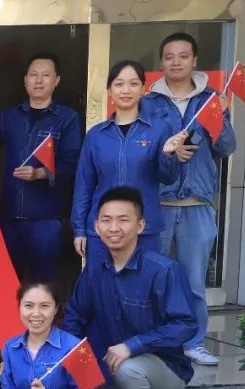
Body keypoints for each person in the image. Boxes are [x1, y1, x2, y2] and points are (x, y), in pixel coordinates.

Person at [64, 186, 197, 389]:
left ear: (140, 226)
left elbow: (185, 325)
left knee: (129, 368)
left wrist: (133, 346)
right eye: (106, 220)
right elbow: (75, 318)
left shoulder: (163, 270)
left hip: (164, 369)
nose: (114, 228)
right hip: (111, 366)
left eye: (123, 220)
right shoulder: (94, 271)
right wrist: (66, 360)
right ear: (96, 226)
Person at [145, 32, 237, 367]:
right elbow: (143, 147)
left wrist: (221, 117)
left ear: (194, 60)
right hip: (158, 204)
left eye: (183, 56)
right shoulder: (149, 102)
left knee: (194, 283)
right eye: (169, 56)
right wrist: (168, 152)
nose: (176, 62)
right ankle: (156, 341)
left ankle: (194, 343)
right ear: (161, 62)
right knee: (154, 280)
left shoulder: (210, 99)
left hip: (197, 203)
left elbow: (226, 148)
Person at [72, 61, 186, 266]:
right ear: (109, 90)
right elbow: (84, 185)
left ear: (143, 89)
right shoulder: (96, 135)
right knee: (101, 284)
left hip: (144, 229)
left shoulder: (159, 129)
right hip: (103, 230)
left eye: (133, 84)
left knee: (143, 284)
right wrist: (79, 229)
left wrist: (169, 154)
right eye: (119, 84)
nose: (126, 90)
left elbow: (169, 178)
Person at [0, 52, 83, 282]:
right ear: (25, 80)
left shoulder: (67, 118)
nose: (39, 81)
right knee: (8, 282)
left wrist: (39, 173)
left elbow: (71, 162)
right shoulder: (10, 116)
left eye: (46, 75)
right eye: (33, 75)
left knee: (44, 282)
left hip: (46, 219)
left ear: (56, 81)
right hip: (9, 216)